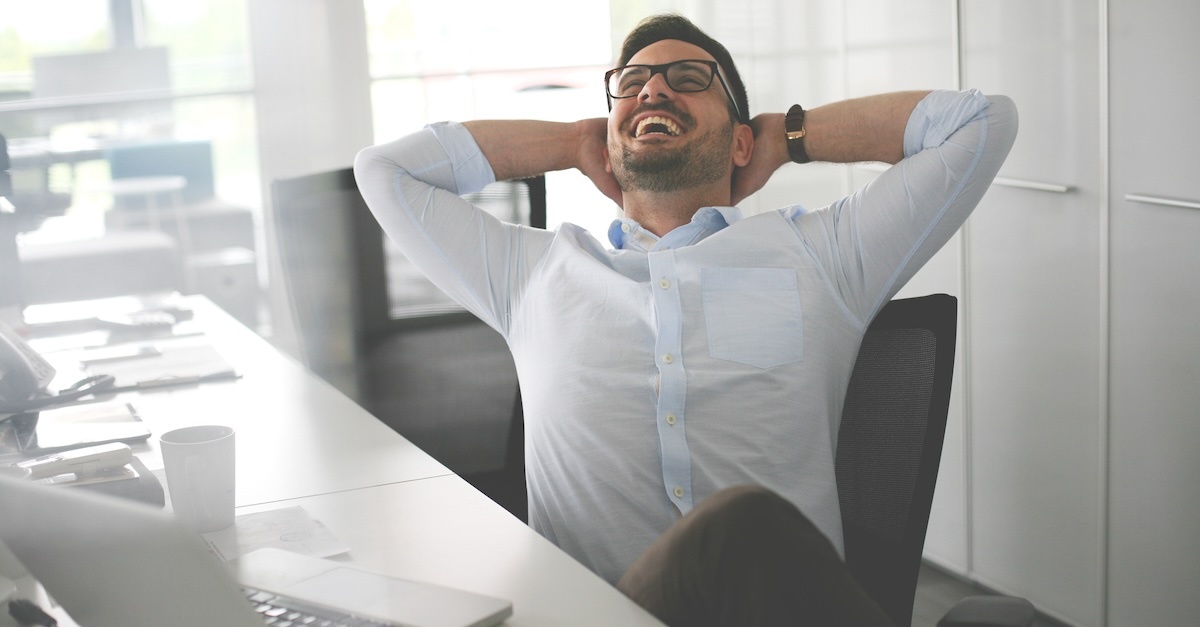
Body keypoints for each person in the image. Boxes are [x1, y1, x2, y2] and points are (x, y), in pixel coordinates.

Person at [355, 13, 1017, 626]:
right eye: (632, 85)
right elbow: (385, 171)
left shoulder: (824, 255)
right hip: (600, 617)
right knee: (736, 525)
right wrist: (572, 141)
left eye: (689, 80)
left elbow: (981, 123)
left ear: (739, 141)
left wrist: (787, 138)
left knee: (739, 528)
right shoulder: (532, 274)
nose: (653, 92)